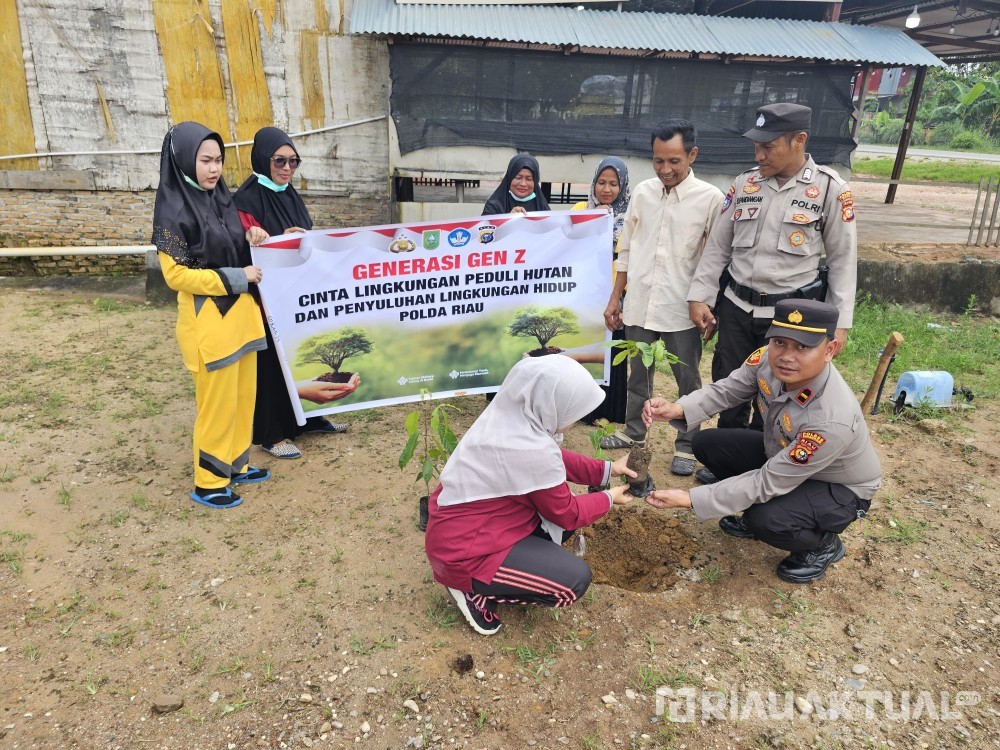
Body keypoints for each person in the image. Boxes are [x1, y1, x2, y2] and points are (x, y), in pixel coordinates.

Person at [642, 299, 881, 584]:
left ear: (829, 350)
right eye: (780, 342)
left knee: (767, 519)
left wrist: (691, 499)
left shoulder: (831, 419)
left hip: (837, 487)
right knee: (708, 444)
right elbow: (727, 390)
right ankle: (772, 509)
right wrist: (678, 408)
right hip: (783, 455)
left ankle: (822, 546)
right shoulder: (768, 358)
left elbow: (767, 481)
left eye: (803, 347)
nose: (786, 356)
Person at [687, 103, 858, 478]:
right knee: (729, 380)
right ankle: (727, 460)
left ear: (799, 141)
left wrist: (840, 323)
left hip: (790, 318)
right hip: (736, 307)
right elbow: (718, 246)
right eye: (756, 146)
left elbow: (844, 260)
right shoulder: (744, 184)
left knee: (779, 393)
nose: (759, 154)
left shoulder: (829, 189)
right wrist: (700, 295)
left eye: (769, 146)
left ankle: (766, 464)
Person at [424, 355, 636, 636]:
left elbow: (557, 459)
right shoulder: (531, 451)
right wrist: (610, 498)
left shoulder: (511, 421)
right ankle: (469, 586)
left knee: (557, 530)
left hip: (467, 527)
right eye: (573, 409)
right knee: (572, 582)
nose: (577, 417)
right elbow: (568, 513)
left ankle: (496, 574)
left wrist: (608, 469)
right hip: (463, 553)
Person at [152, 121, 271, 508]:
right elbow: (176, 276)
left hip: (241, 319)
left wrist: (252, 236)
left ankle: (236, 466)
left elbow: (234, 241)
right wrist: (237, 276)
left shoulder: (222, 199)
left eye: (218, 160)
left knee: (241, 399)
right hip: (209, 323)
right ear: (186, 160)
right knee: (217, 406)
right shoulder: (171, 213)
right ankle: (209, 481)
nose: (214, 169)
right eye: (205, 160)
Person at [600, 120, 724, 477]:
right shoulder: (642, 193)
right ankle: (634, 432)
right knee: (638, 374)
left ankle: (687, 444)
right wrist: (615, 297)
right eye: (658, 161)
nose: (665, 170)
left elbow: (715, 259)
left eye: (674, 161)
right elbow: (626, 249)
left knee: (687, 379)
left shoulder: (710, 199)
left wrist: (708, 304)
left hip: (683, 309)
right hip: (640, 303)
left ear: (692, 155)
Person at [234, 126, 356, 459]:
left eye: (293, 162)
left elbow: (304, 238)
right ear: (263, 159)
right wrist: (273, 238)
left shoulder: (289, 193)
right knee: (272, 364)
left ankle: (307, 420)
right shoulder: (246, 200)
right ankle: (272, 434)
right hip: (265, 300)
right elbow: (242, 246)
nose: (287, 168)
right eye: (279, 161)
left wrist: (302, 239)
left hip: (295, 295)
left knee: (303, 354)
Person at [571, 157, 631, 425]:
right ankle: (584, 409)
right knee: (587, 345)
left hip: (618, 293)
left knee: (613, 350)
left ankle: (608, 410)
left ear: (623, 186)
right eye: (601, 183)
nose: (606, 189)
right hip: (586, 292)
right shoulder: (581, 208)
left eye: (613, 184)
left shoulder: (631, 216)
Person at [482, 154, 550, 216]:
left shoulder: (542, 207)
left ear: (535, 181)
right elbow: (485, 228)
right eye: (518, 178)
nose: (523, 184)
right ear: (509, 179)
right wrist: (508, 219)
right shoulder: (493, 207)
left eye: (529, 179)